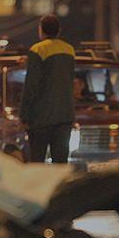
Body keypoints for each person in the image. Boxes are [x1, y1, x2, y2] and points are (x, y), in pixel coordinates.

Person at [20, 14, 75, 163]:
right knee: (61, 164)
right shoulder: (69, 50)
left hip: (40, 118)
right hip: (64, 117)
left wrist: (24, 115)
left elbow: (31, 85)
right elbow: (69, 80)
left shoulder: (37, 50)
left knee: (37, 162)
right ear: (59, 30)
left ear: (41, 30)